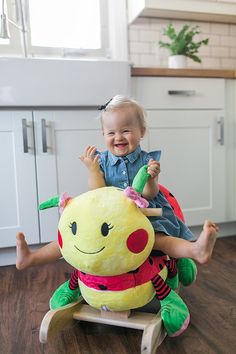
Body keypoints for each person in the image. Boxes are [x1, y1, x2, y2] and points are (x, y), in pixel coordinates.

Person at [16, 95, 218, 306]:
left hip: (143, 215)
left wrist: (152, 178)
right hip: (110, 218)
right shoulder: (101, 160)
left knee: (159, 240)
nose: (118, 137)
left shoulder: (146, 159)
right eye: (111, 132)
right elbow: (98, 193)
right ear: (103, 135)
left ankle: (196, 250)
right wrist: (93, 170)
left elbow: (149, 194)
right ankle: (30, 258)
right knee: (73, 237)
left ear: (142, 132)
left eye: (126, 130)